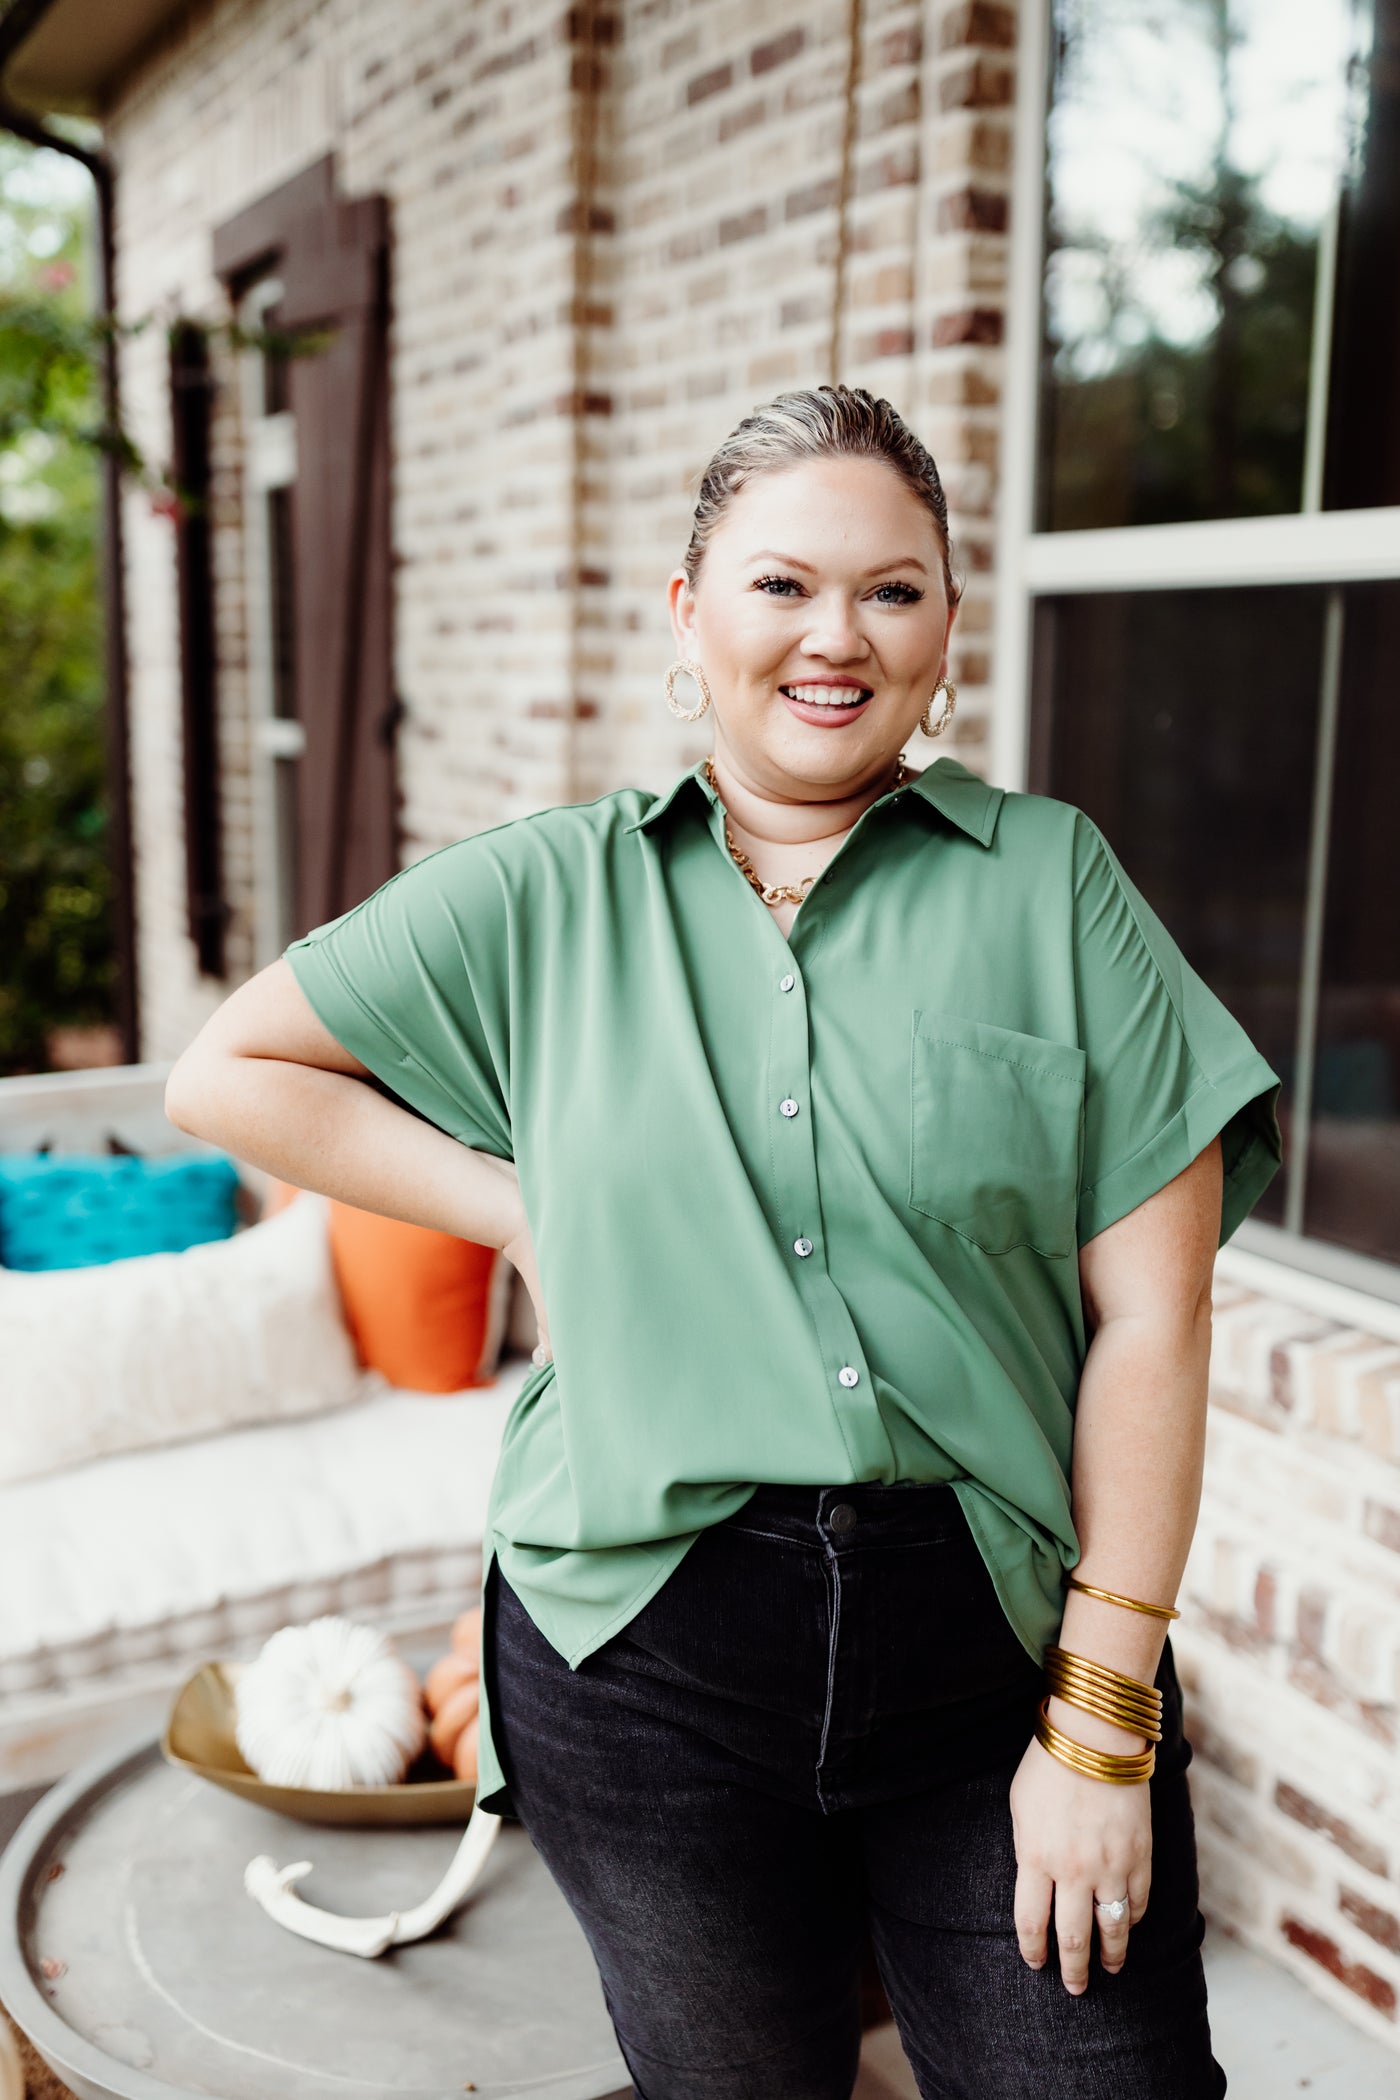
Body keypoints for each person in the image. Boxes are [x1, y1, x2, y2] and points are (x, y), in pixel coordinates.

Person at [166, 384, 1282, 2099]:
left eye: (892, 590)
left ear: (944, 632)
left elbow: (1157, 1321)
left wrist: (1103, 1720)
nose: (837, 636)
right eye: (783, 585)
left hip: (996, 1646)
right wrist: (517, 1205)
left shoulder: (1054, 887)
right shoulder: (543, 898)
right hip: (641, 1657)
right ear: (690, 615)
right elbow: (226, 1069)